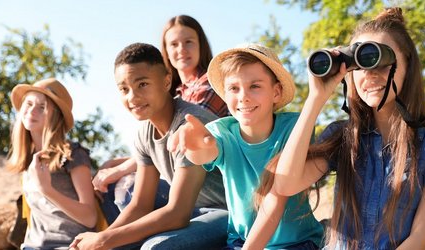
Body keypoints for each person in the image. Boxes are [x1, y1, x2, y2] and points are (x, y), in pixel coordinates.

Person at [261, 7, 425, 249]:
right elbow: (286, 183)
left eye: (379, 60)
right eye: (358, 65)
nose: (369, 73)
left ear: (408, 66)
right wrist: (315, 99)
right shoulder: (342, 136)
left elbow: (423, 239)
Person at [71, 43, 227, 250]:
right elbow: (140, 205)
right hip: (195, 212)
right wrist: (103, 238)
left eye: (142, 84)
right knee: (116, 243)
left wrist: (104, 240)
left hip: (227, 213)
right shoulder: (144, 133)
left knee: (156, 247)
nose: (132, 97)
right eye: (124, 89)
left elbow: (177, 214)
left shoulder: (189, 124)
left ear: (166, 81)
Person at [168, 43, 324, 249]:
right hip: (240, 242)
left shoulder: (295, 126)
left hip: (296, 243)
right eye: (234, 88)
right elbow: (207, 151)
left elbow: (278, 194)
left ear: (276, 92)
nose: (243, 96)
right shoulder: (222, 131)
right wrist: (196, 146)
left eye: (255, 86)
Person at [92, 15, 229, 211]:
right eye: (173, 44)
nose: (181, 49)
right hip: (183, 176)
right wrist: (114, 164)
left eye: (188, 42)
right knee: (110, 175)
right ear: (166, 51)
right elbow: (157, 147)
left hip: (210, 189)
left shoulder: (208, 86)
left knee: (126, 187)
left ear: (201, 45)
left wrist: (121, 168)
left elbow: (181, 143)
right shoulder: (176, 92)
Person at [7, 78, 97, 249]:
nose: (32, 111)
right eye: (29, 103)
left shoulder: (73, 154)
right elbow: (38, 215)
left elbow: (90, 217)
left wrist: (46, 189)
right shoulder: (28, 160)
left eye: (42, 107)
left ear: (56, 116)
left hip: (68, 245)